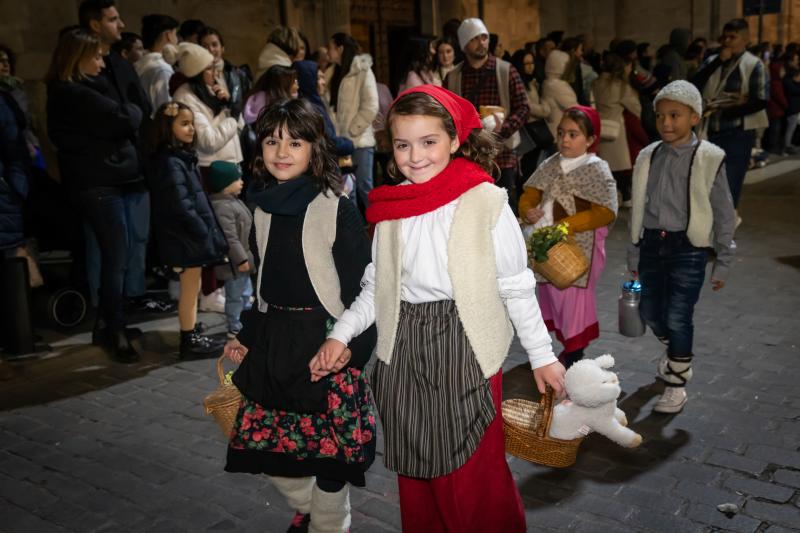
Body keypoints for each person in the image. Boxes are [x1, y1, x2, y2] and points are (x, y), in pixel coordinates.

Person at [312, 85, 563, 532]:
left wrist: (542, 356)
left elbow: (516, 286)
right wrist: (340, 334)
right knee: (418, 472)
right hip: (404, 349)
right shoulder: (392, 208)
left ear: (453, 140)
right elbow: (377, 288)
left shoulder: (484, 201)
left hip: (466, 346)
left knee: (471, 472)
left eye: (429, 142)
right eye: (404, 144)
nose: (416, 155)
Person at [223, 98, 377, 533]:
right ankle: (309, 509)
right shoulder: (261, 207)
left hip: (327, 341)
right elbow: (263, 285)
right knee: (264, 446)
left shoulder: (335, 207)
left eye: (295, 141)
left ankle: (329, 525)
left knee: (331, 454)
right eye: (272, 141)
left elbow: (365, 287)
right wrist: (247, 334)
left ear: (315, 149)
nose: (282, 151)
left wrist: (352, 348)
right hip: (276, 339)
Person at [627, 80, 736, 413]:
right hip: (650, 244)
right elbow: (639, 208)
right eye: (660, 116)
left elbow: (724, 210)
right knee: (648, 311)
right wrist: (634, 250)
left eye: (675, 115)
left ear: (695, 118)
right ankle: (676, 350)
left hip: (688, 248)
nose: (666, 123)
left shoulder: (709, 158)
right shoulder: (648, 155)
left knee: (678, 315)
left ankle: (677, 382)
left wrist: (724, 259)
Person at [46, 28, 143, 362]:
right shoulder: (75, 94)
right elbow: (126, 116)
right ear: (78, 58)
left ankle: (108, 322)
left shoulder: (78, 90)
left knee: (116, 255)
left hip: (101, 182)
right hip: (98, 185)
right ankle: (113, 328)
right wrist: (131, 112)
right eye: (97, 56)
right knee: (116, 257)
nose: (103, 63)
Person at [519, 106, 617, 368]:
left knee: (573, 301)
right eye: (561, 132)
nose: (564, 139)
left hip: (577, 249)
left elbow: (605, 211)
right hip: (548, 247)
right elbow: (531, 191)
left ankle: (575, 353)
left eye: (573, 134)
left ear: (590, 139)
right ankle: (557, 346)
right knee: (551, 295)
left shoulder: (596, 169)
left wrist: (567, 226)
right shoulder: (550, 163)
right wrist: (527, 210)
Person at [147, 101, 227, 358]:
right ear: (166, 128)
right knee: (190, 290)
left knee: (191, 290)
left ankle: (190, 330)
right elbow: (181, 206)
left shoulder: (180, 159)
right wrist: (203, 231)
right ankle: (188, 340)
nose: (191, 128)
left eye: (192, 122)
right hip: (185, 239)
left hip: (187, 237)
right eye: (184, 123)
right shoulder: (171, 163)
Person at [173, 42, 244, 312]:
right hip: (210, 168)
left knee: (231, 230)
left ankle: (224, 288)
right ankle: (210, 290)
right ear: (198, 72)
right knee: (217, 230)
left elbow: (235, 126)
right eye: (209, 69)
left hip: (227, 164)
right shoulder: (186, 97)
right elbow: (208, 140)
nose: (215, 72)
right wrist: (230, 115)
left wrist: (227, 107)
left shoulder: (209, 93)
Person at [445, 18, 530, 213]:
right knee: (472, 209)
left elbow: (524, 107)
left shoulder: (505, 70)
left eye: (484, 37)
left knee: (506, 209)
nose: (482, 42)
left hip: (502, 152)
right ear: (464, 44)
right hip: (467, 154)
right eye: (475, 39)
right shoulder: (453, 77)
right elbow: (446, 113)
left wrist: (504, 128)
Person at [692, 18, 768, 216]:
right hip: (710, 130)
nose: (727, 41)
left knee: (730, 181)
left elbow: (760, 100)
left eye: (732, 37)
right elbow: (693, 84)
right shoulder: (712, 61)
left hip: (737, 132)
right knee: (706, 180)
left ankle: (725, 226)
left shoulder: (754, 65)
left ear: (745, 39)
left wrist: (728, 110)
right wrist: (718, 61)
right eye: (724, 37)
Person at [327, 32, 379, 215]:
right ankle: (355, 232)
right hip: (341, 143)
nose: (328, 52)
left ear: (340, 48)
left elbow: (371, 105)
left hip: (359, 141)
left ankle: (378, 226)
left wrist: (352, 129)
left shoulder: (362, 70)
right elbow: (331, 108)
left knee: (365, 186)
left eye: (331, 47)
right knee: (347, 190)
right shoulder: (332, 73)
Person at [207, 161, 253, 339]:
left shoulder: (232, 201)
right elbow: (230, 238)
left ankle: (246, 321)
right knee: (235, 296)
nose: (241, 182)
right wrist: (241, 259)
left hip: (244, 261)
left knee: (245, 293)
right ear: (224, 184)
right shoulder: (222, 207)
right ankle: (235, 326)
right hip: (235, 265)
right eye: (237, 179)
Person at [594, 53, 642, 206]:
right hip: (616, 130)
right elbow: (635, 107)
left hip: (600, 127)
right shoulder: (620, 86)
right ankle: (625, 196)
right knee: (621, 167)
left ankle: (609, 197)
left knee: (606, 165)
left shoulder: (596, 83)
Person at [199, 26, 252, 121]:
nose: (210, 50)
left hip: (238, 128)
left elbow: (245, 106)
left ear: (222, 48)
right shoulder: (197, 77)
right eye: (205, 46)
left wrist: (229, 98)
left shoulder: (237, 74)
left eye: (214, 45)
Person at [136, 14, 178, 113]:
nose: (177, 40)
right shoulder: (162, 69)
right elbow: (167, 109)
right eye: (175, 34)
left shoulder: (140, 62)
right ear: (168, 35)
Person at [541, 49, 578, 138]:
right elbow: (575, 109)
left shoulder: (547, 82)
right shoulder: (558, 86)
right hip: (559, 133)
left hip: (553, 131)